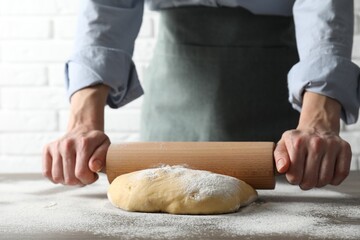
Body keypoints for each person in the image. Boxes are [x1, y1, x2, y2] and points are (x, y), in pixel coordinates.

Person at [43, 0, 359, 190]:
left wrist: (318, 116)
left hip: (281, 102)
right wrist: (83, 120)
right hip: (174, 84)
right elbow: (108, 7)